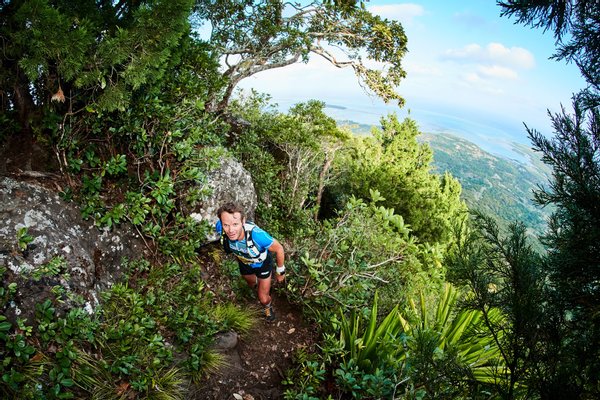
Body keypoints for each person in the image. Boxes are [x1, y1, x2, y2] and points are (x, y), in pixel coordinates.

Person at [216, 202, 286, 321]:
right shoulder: (220, 228)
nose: (230, 230)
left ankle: (267, 306)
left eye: (235, 224)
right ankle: (261, 287)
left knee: (263, 298)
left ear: (243, 221)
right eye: (226, 225)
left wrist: (280, 271)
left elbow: (279, 248)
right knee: (251, 283)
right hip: (244, 263)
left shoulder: (257, 235)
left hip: (262, 264)